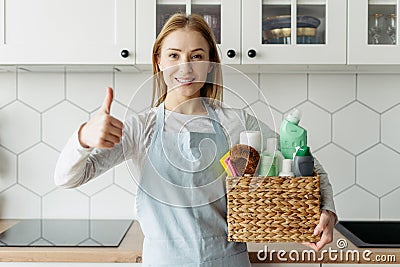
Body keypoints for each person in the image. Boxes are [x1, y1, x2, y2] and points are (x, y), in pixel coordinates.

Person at [54, 13, 337, 266]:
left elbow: (307, 165)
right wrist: (83, 138)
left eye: (197, 56)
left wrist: (327, 211)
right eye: (174, 56)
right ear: (158, 61)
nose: (185, 68)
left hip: (229, 260)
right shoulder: (142, 128)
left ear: (211, 64)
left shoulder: (237, 122)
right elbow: (67, 178)